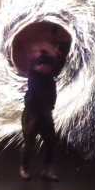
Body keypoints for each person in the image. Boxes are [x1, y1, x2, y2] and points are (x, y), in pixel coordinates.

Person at [20, 50, 60, 181]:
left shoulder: (50, 79)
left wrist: (50, 106)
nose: (50, 69)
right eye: (47, 66)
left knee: (50, 143)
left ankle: (47, 170)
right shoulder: (33, 77)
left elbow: (52, 95)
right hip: (32, 115)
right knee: (29, 143)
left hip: (46, 115)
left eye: (50, 67)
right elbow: (36, 91)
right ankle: (24, 168)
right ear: (40, 66)